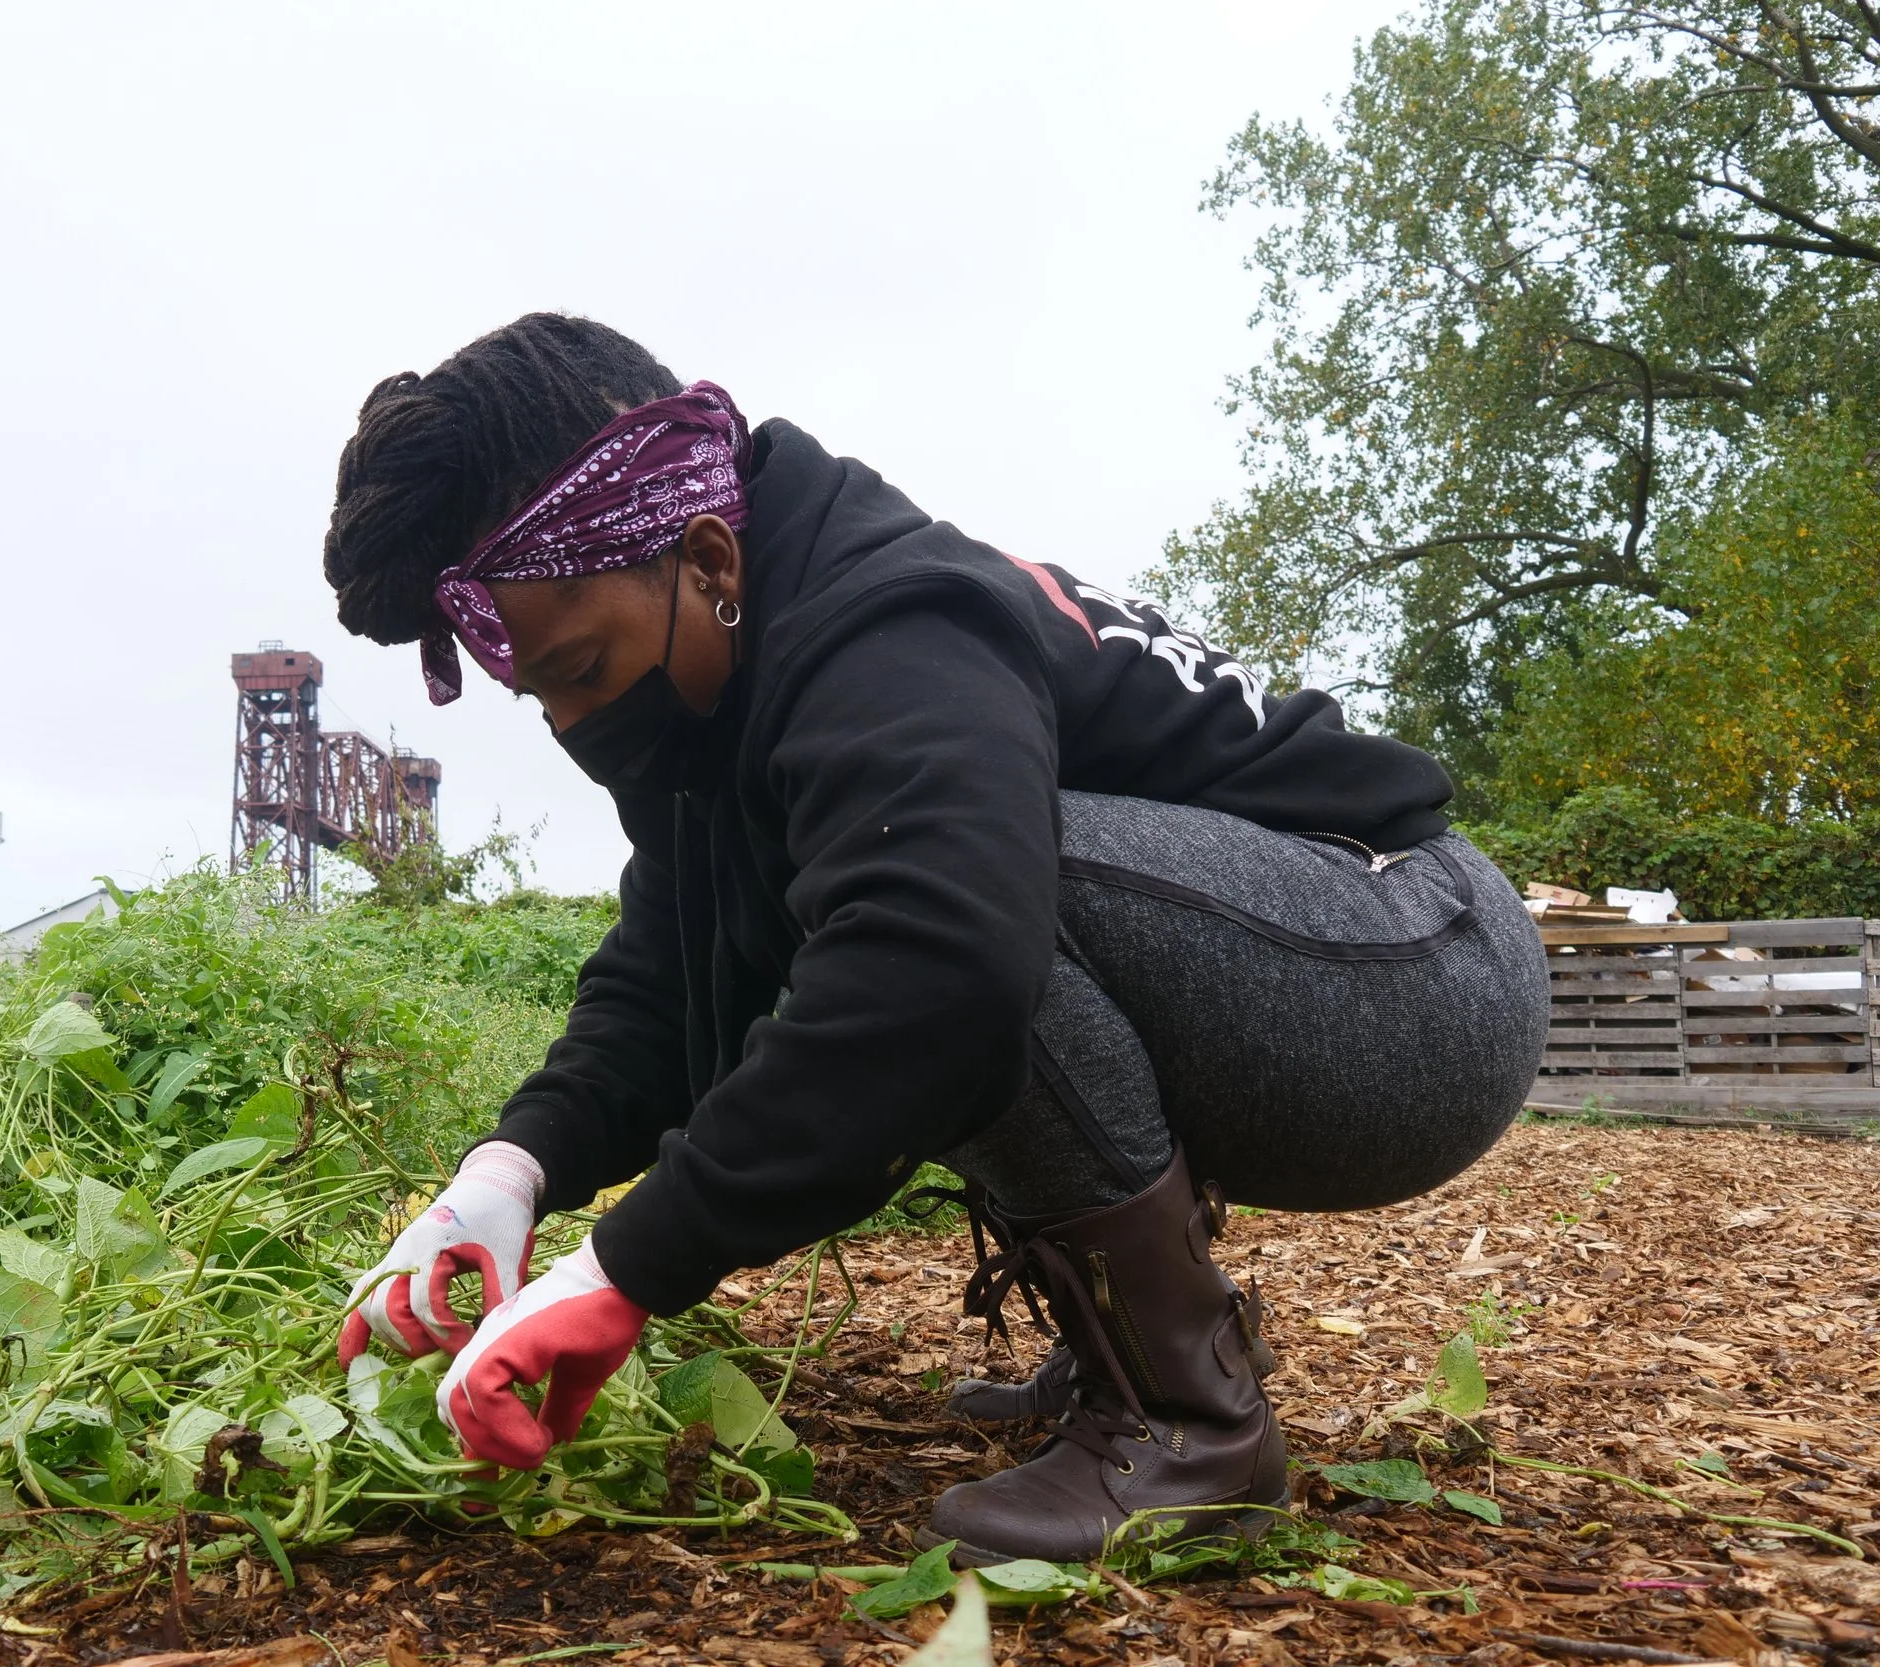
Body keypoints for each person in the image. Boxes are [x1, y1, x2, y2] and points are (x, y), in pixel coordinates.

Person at [319, 313, 1550, 1564]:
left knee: (939, 910)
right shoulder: (714, 683)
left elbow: (937, 969)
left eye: (582, 666)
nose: (576, 722)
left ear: (705, 560)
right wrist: (509, 1172)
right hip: (1308, 962)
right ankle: (1120, 1336)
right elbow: (667, 965)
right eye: (544, 696)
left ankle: (1192, 1418)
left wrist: (628, 1269)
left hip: (1418, 969)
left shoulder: (889, 624)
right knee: (903, 887)